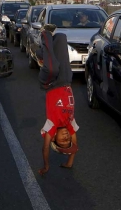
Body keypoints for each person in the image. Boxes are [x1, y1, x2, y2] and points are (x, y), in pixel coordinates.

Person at [35, 24, 79, 176]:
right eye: (68, 140)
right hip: (65, 81)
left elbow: (45, 148)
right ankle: (42, 52)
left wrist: (46, 166)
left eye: (63, 140)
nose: (66, 137)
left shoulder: (51, 127)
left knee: (52, 68)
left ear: (54, 138)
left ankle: (44, 35)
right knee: (61, 39)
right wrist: (69, 162)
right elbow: (75, 146)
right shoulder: (70, 124)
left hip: (50, 83)